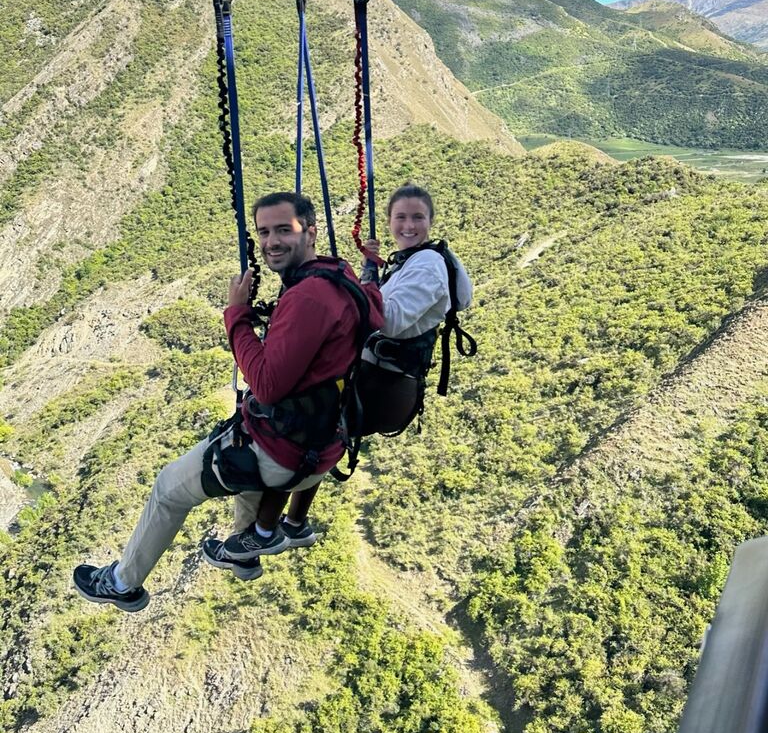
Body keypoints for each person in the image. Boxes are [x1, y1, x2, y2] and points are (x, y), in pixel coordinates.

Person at [73, 192, 384, 612]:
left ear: (309, 231)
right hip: (322, 451)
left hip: (283, 453)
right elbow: (374, 312)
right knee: (245, 455)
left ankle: (122, 583)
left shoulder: (308, 298)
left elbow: (269, 385)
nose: (270, 241)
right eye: (264, 232)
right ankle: (245, 559)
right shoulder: (340, 278)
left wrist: (236, 314)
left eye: (283, 230)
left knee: (169, 489)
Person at [357, 183, 473, 433]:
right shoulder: (409, 260)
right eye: (401, 217)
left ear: (430, 221)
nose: (408, 226)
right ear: (390, 221)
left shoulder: (427, 264)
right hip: (381, 379)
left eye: (417, 217)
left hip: (384, 387)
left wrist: (367, 274)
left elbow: (389, 321)